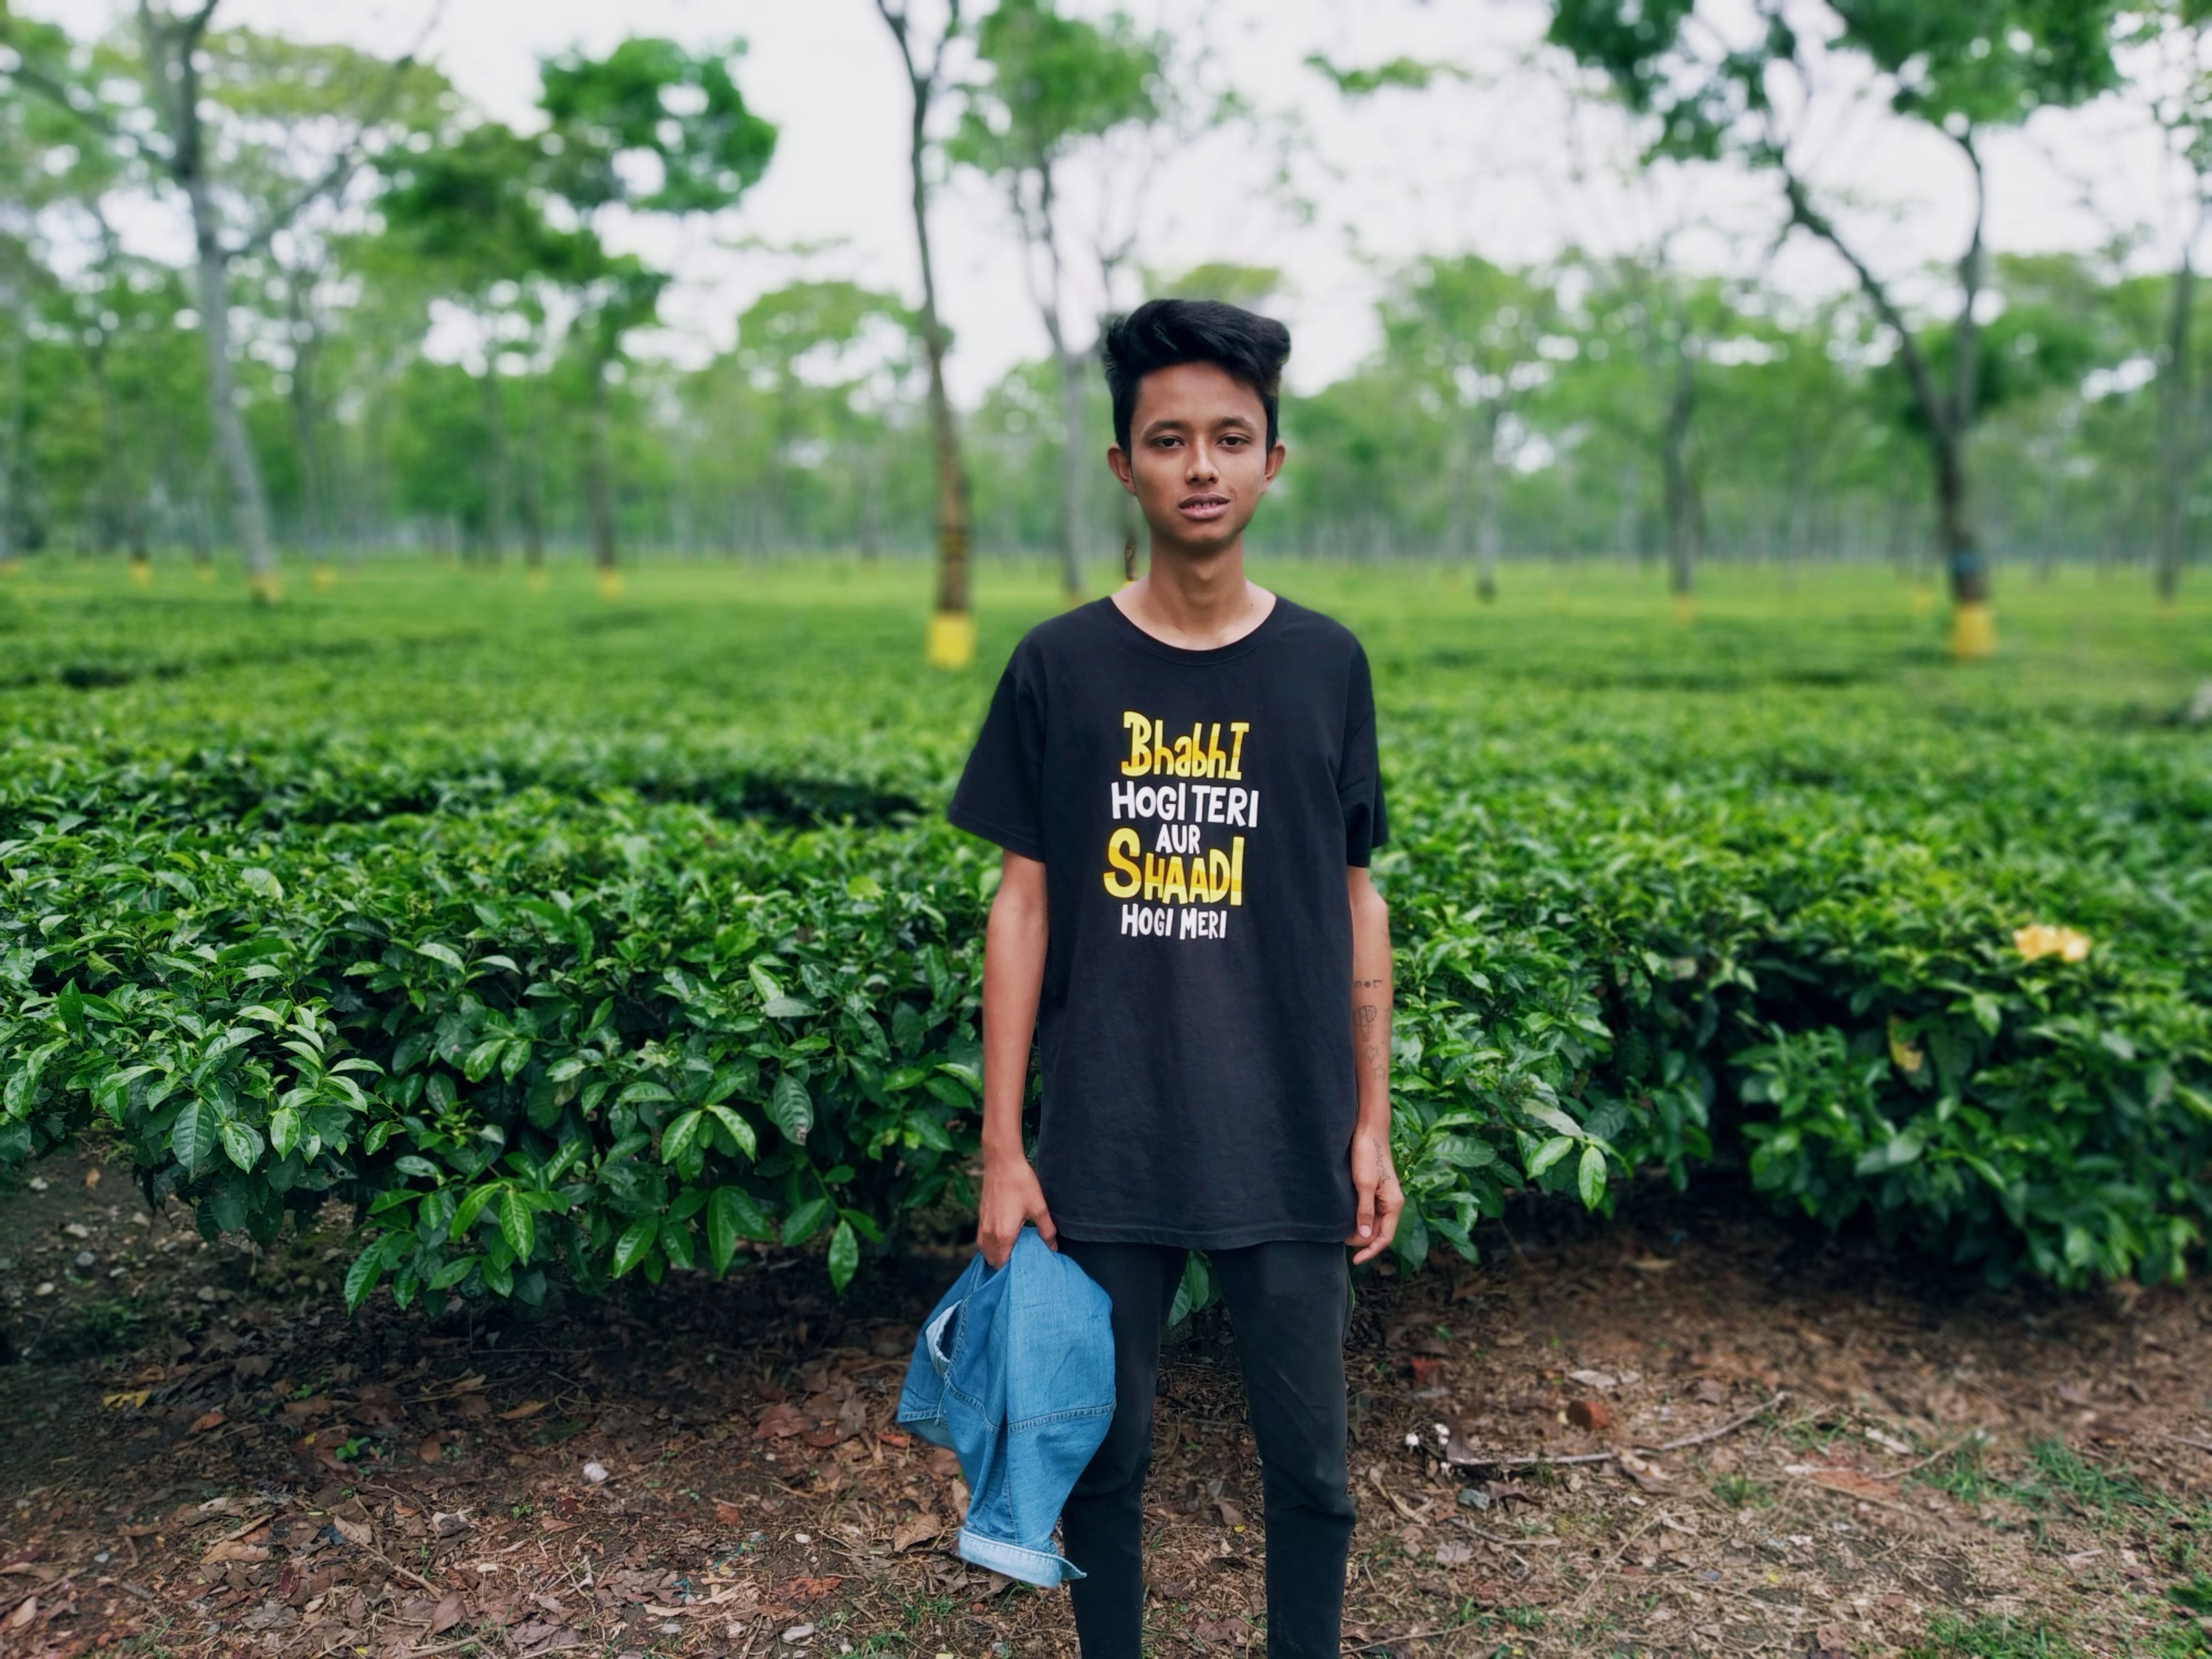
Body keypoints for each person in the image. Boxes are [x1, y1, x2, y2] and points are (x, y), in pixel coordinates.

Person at [946, 296, 1402, 1659]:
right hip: (1108, 1135)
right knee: (1102, 1460)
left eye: (1228, 437)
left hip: (1287, 1131)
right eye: (1167, 439)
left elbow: (1354, 898)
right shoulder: (1059, 665)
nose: (1199, 466)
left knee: (1312, 1472)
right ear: (1122, 466)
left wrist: (1370, 1124)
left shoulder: (1324, 664)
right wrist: (1003, 1149)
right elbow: (1020, 904)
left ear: (1271, 461)